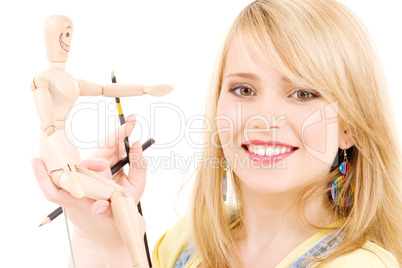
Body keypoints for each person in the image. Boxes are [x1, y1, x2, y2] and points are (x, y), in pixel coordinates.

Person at [32, 0, 402, 267]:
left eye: (303, 93)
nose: (263, 118)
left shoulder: (361, 263)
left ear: (349, 126)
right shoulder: (185, 243)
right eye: (244, 90)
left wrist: (118, 254)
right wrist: (98, 238)